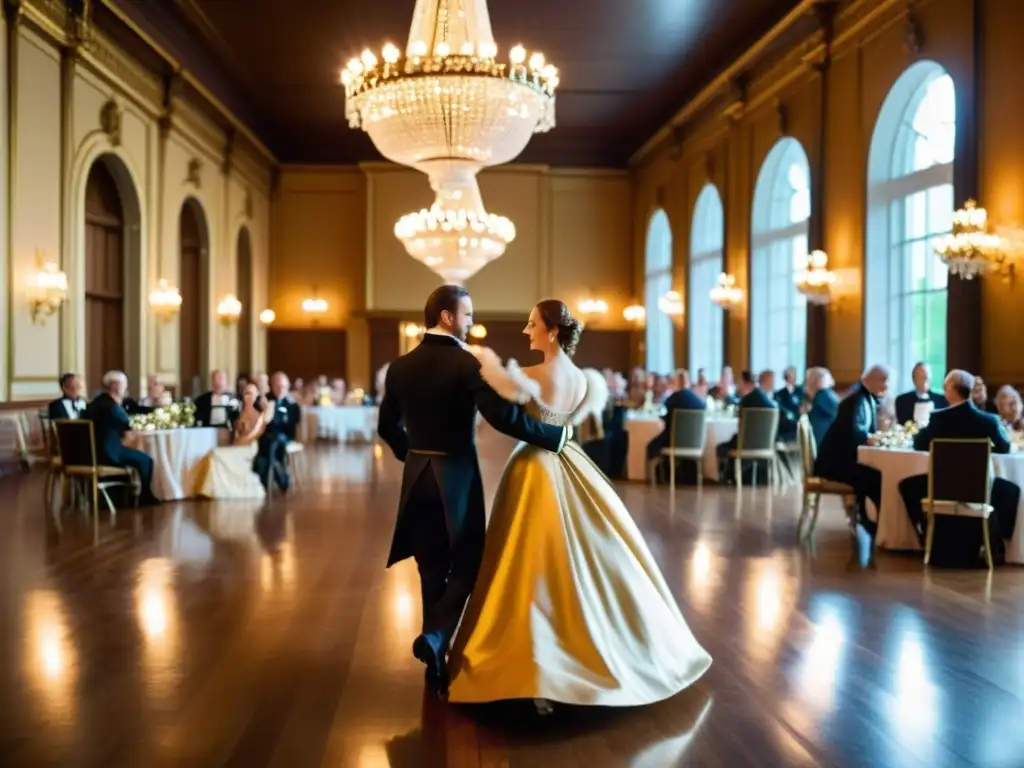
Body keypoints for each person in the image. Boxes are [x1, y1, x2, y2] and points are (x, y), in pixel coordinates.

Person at [446, 299, 711, 711]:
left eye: (532, 324)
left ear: (552, 330)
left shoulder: (532, 374)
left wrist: (478, 363)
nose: (525, 330)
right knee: (591, 551)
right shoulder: (585, 380)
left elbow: (501, 400)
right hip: (572, 460)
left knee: (532, 559)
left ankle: (539, 663)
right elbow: (564, 423)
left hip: (534, 466)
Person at [377, 285, 570, 696]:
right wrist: (554, 436)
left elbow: (385, 427)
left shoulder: (399, 367)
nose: (471, 323)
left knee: (431, 569)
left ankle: (436, 665)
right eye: (467, 315)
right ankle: (434, 639)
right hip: (456, 478)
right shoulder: (465, 364)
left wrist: (410, 455)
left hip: (417, 478)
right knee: (467, 566)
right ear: (447, 317)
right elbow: (501, 417)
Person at [898, 370, 1020, 564]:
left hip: (941, 489)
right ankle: (994, 543)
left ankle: (924, 536)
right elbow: (1004, 448)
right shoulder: (988, 421)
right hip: (979, 491)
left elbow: (918, 444)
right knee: (1013, 490)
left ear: (950, 390)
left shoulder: (938, 419)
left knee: (906, 485)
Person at [814, 365, 889, 534]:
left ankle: (873, 522)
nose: (887, 386)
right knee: (877, 477)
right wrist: (875, 438)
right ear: (869, 380)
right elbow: (856, 434)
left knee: (877, 475)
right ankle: (872, 524)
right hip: (835, 465)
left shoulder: (864, 398)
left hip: (842, 459)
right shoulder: (858, 401)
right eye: (883, 380)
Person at [83, 370, 160, 506]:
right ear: (115, 386)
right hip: (107, 453)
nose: (126, 389)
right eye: (124, 385)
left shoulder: (97, 402)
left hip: (89, 452)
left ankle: (126, 494)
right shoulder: (111, 406)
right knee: (146, 460)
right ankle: (144, 497)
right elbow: (129, 424)